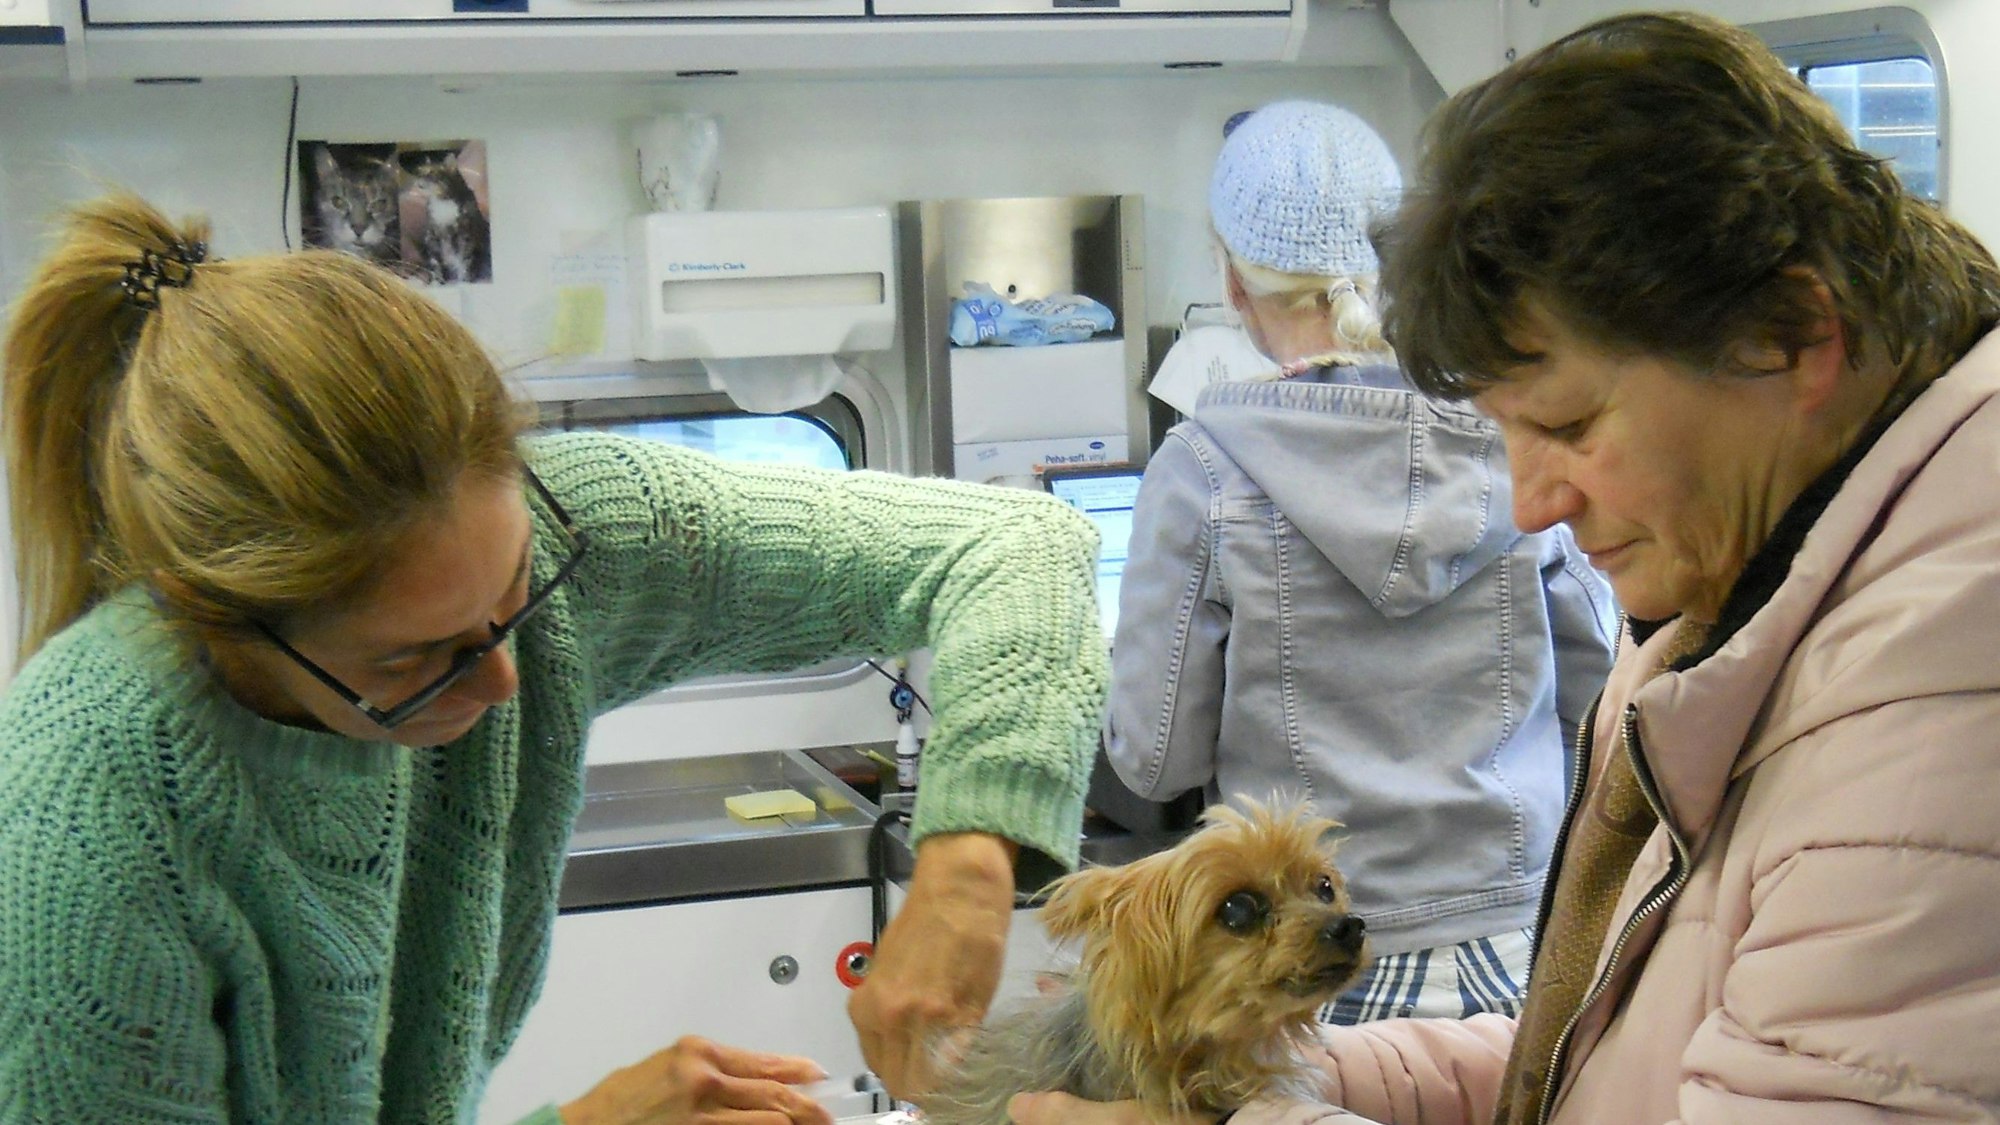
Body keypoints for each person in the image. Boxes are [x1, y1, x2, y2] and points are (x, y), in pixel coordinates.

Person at [1018, 11, 2000, 1125]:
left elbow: (1150, 758)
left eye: (1571, 423)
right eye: (1503, 436)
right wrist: (1304, 1083)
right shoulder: (1735, 563)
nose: (1530, 503)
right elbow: (1627, 1055)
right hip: (1497, 927)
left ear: (1788, 332)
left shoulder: (1940, 699)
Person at [0, 193, 1108, 1123]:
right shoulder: (90, 818)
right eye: (416, 662)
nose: (506, 686)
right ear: (223, 618)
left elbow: (1015, 546)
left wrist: (966, 871)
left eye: (520, 591)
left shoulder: (578, 522)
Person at [1105, 100, 1618, 1025]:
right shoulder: (1511, 428)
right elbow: (1604, 677)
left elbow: (1154, 759)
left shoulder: (1205, 468)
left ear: (1231, 279)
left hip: (1309, 960)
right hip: (1526, 937)